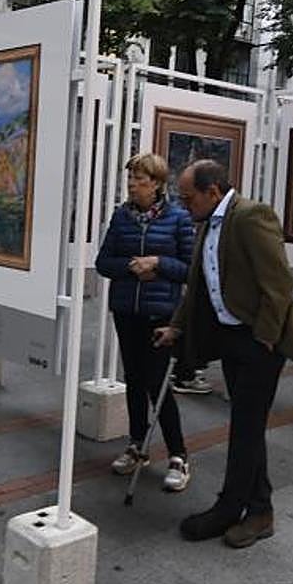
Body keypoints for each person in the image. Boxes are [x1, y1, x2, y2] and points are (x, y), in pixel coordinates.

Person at [153, 159, 293, 547]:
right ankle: (259, 511)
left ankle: (231, 509)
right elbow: (199, 284)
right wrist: (177, 325)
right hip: (231, 338)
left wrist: (264, 336)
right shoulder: (208, 222)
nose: (184, 205)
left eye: (188, 198)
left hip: (259, 341)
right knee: (247, 427)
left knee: (245, 427)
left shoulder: (250, 217)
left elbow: (280, 284)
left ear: (212, 192)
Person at [95, 153, 195, 491]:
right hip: (127, 312)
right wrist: (130, 267)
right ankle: (137, 445)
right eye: (130, 179)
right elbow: (104, 262)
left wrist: (159, 263)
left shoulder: (179, 218)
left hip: (160, 314)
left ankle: (179, 455)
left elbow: (190, 268)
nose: (133, 185)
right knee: (134, 380)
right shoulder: (121, 217)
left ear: (157, 184)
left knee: (158, 382)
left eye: (140, 179)